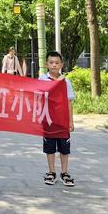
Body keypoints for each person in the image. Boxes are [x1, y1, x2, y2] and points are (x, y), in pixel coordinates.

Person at [39, 51, 75, 187]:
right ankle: (51, 172)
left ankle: (64, 173)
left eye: (57, 63)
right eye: (51, 63)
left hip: (62, 121)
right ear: (46, 64)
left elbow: (69, 102)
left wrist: (71, 121)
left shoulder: (66, 81)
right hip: (48, 121)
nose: (54, 65)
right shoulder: (42, 80)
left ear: (61, 64)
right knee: (49, 148)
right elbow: (37, 98)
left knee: (64, 148)